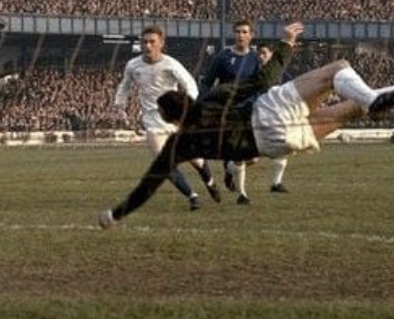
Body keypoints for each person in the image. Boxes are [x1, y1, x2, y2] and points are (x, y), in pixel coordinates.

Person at [98, 23, 394, 227]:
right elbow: (262, 80)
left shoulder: (185, 144)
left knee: (351, 111)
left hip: (273, 144)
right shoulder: (211, 98)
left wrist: (116, 214)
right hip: (266, 111)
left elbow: (147, 185)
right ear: (186, 101)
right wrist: (285, 44)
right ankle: (387, 93)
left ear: (169, 120)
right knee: (338, 69)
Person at [112, 25, 220, 211]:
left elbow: (190, 85)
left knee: (196, 160)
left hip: (176, 120)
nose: (148, 46)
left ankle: (210, 182)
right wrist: (119, 104)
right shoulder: (133, 65)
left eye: (152, 42)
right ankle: (192, 197)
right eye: (144, 42)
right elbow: (125, 86)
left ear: (161, 43)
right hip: (153, 122)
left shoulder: (171, 64)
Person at [200, 21, 291, 201]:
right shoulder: (222, 57)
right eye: (237, 32)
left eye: (244, 32)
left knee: (254, 157)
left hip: (251, 110)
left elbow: (261, 84)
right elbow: (207, 82)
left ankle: (229, 169)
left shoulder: (255, 59)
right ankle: (242, 194)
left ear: (251, 35)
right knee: (241, 153)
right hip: (229, 112)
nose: (240, 35)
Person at [229, 40, 295, 205]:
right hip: (250, 117)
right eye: (259, 53)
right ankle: (241, 194)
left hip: (272, 119)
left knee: (284, 147)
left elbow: (290, 91)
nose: (260, 56)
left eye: (264, 53)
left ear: (271, 55)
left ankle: (275, 183)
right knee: (247, 157)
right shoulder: (253, 73)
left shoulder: (280, 74)